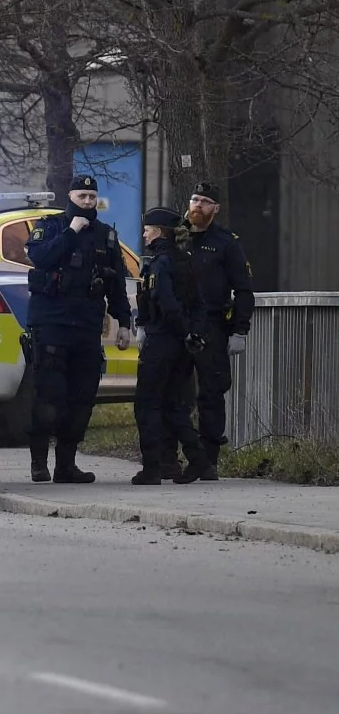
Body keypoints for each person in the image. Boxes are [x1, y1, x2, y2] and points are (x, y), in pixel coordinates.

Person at [24, 174, 134, 484]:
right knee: (49, 395)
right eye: (81, 196)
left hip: (86, 327)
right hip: (52, 325)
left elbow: (115, 284)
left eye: (91, 197)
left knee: (81, 398)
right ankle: (38, 463)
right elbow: (41, 257)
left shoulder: (106, 236)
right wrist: (71, 234)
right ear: (70, 197)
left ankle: (66, 465)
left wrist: (124, 322)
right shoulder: (52, 226)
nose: (87, 202)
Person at [130, 207, 207, 485]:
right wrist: (192, 334)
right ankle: (198, 460)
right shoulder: (186, 260)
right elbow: (198, 303)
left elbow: (166, 302)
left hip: (163, 340)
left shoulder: (160, 263)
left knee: (147, 405)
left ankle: (152, 468)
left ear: (158, 232)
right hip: (182, 345)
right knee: (174, 405)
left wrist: (178, 330)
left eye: (147, 229)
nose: (144, 234)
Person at [183, 180, 254, 480]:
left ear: (215, 208)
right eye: (195, 199)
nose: (198, 205)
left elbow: (244, 290)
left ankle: (207, 461)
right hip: (178, 324)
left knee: (211, 394)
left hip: (212, 325)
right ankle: (167, 458)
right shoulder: (176, 237)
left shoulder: (226, 243)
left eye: (204, 202)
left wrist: (240, 330)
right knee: (171, 392)